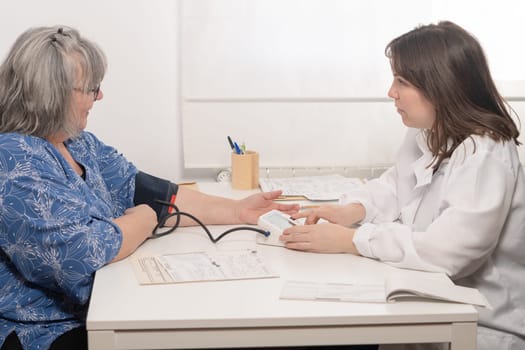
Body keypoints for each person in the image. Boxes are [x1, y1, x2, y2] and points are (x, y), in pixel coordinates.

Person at [0, 26, 299, 350]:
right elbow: (81, 259)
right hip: (47, 331)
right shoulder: (13, 161)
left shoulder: (76, 143)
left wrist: (236, 210)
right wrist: (143, 219)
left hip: (100, 307)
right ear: (52, 94)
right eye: (91, 88)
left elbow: (150, 192)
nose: (99, 96)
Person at [280, 21, 525, 350]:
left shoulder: (485, 154)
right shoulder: (430, 129)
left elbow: (450, 253)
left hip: (479, 326)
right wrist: (354, 210)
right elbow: (396, 185)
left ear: (441, 86)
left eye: (402, 81)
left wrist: (352, 239)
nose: (391, 92)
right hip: (424, 306)